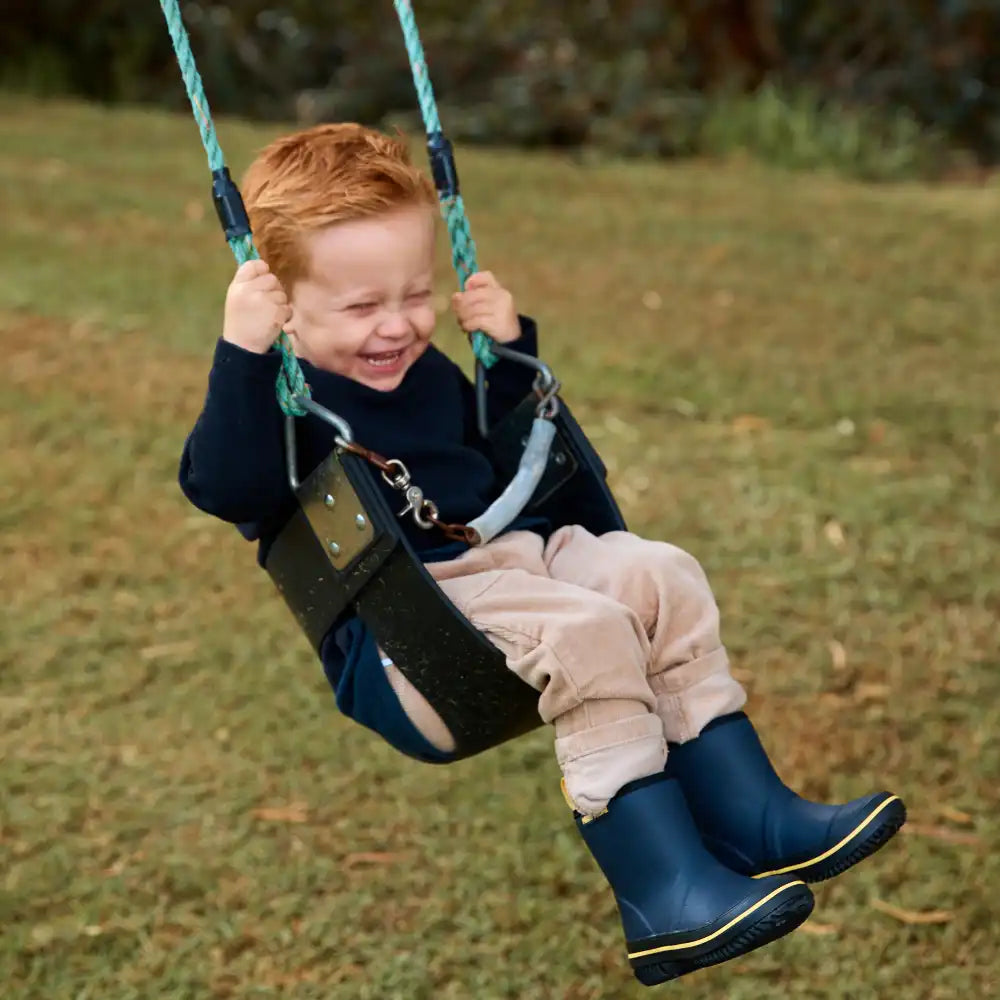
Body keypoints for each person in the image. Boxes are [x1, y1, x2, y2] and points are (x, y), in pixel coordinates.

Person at [179, 122, 906, 986]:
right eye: (363, 307)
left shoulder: (420, 368)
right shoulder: (281, 406)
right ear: (282, 305)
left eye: (416, 294)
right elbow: (222, 485)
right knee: (585, 628)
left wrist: (509, 351)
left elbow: (500, 460)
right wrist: (243, 353)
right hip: (415, 634)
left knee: (659, 574)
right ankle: (663, 897)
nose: (399, 326)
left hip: (514, 561)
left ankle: (750, 817)